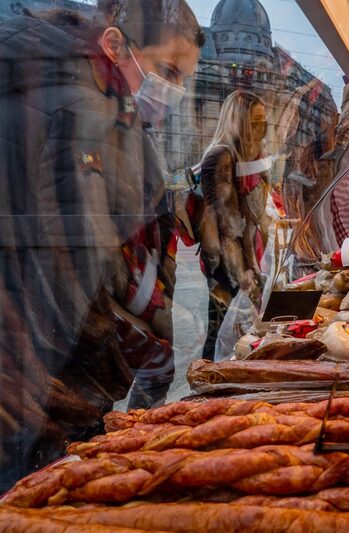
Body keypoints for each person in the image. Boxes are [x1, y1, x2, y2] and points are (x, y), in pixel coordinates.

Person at [0, 0, 203, 488]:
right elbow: (75, 259)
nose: (173, 91)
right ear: (115, 45)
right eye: (167, 71)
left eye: (183, 79)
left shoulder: (110, 102)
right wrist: (144, 341)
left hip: (55, 367)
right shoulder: (76, 105)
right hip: (37, 369)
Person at [197, 90, 271, 360]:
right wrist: (242, 273)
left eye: (263, 121)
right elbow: (225, 226)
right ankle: (206, 389)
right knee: (220, 333)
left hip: (249, 258)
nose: (260, 129)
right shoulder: (221, 157)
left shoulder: (252, 156)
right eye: (254, 122)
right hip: (227, 266)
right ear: (237, 121)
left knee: (241, 333)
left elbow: (252, 219)